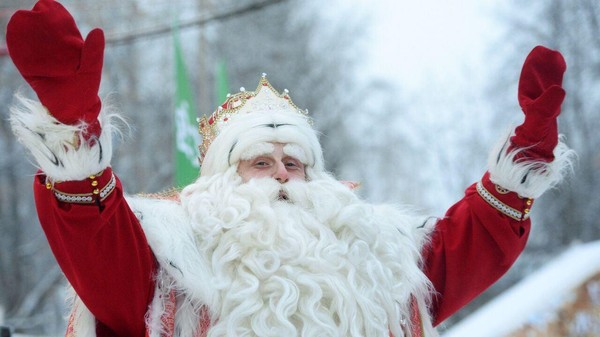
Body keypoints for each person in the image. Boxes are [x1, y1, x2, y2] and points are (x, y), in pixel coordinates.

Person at [6, 1, 574, 337]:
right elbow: (100, 253)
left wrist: (522, 160)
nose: (281, 174)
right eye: (260, 161)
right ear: (221, 179)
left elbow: (466, 245)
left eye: (294, 162)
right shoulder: (174, 256)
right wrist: (72, 132)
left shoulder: (376, 256)